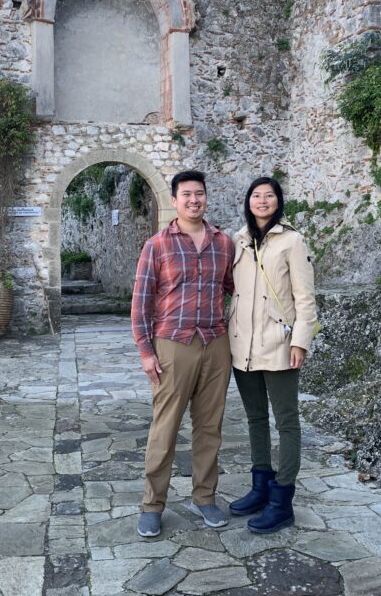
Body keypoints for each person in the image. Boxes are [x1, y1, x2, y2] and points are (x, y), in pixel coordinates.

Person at [132, 170, 235, 538]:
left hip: (215, 343)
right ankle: (152, 504)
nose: (194, 200)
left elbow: (233, 289)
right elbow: (141, 303)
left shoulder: (224, 243)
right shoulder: (156, 245)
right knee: (165, 427)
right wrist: (146, 351)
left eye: (200, 194)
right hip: (173, 345)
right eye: (187, 194)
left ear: (206, 198)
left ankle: (204, 497)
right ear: (174, 201)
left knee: (210, 427)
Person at [227, 176, 319, 534]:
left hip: (279, 343)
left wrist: (301, 341)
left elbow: (305, 298)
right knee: (254, 419)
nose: (262, 200)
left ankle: (282, 500)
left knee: (287, 421)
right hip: (242, 346)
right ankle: (260, 487)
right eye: (256, 195)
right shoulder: (238, 240)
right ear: (248, 201)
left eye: (269, 195)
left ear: (278, 202)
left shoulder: (292, 241)